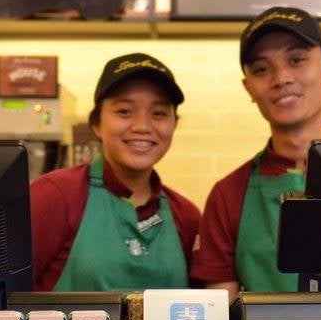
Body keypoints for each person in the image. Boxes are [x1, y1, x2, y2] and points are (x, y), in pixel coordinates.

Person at [191, 6, 321, 295]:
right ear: (248, 87)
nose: (281, 77)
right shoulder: (227, 196)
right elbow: (222, 319)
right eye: (261, 69)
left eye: (296, 60)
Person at [30, 52, 201, 291]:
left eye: (159, 114)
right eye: (124, 111)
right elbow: (1, 302)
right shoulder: (54, 196)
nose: (142, 127)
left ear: (174, 125)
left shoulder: (187, 216)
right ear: (97, 124)